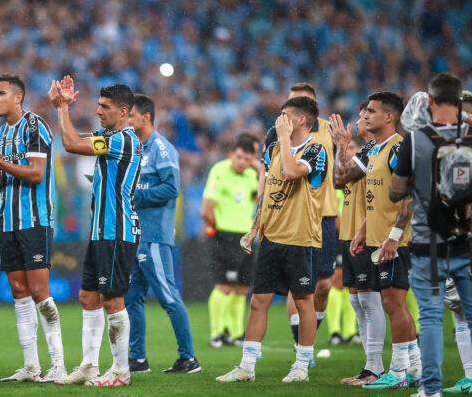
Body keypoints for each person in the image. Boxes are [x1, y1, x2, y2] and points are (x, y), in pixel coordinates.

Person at [220, 96, 327, 384]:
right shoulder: (275, 148)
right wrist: (255, 227)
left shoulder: (317, 150)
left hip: (301, 238)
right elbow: (268, 189)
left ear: (301, 120)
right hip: (272, 237)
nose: (279, 121)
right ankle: (246, 367)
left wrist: (283, 137)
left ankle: (302, 366)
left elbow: (291, 173)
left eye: (284, 115)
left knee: (304, 301)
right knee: (258, 301)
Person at [0, 75, 64, 383]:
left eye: (1, 93)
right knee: (19, 293)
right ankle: (31, 366)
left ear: (17, 98)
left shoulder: (35, 126)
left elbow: (36, 174)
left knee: (39, 292)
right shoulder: (0, 134)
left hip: (35, 220)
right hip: (8, 222)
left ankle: (59, 365)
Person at [49, 76, 141, 387]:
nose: (98, 111)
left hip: (117, 231)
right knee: (88, 296)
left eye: (105, 106)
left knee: (112, 298)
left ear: (124, 110)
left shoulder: (123, 141)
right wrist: (63, 109)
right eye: (98, 105)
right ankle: (89, 365)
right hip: (100, 231)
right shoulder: (106, 136)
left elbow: (72, 144)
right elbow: (71, 139)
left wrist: (62, 108)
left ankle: (120, 371)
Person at [390, 73, 472, 396]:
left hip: (429, 244)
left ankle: (432, 390)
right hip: (468, 244)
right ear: (459, 101)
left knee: (430, 319)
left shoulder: (416, 140)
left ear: (429, 101)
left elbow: (395, 193)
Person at [333, 91, 422, 390]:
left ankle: (397, 371)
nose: (365, 115)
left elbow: (407, 196)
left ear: (389, 116)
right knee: (392, 303)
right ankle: (414, 368)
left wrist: (395, 236)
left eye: (371, 111)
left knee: (393, 302)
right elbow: (349, 185)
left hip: (396, 240)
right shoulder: (373, 150)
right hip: (377, 236)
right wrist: (362, 230)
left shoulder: (399, 149)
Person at [124, 94, 199, 374]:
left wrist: (134, 195)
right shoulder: (136, 148)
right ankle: (137, 358)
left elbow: (171, 189)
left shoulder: (162, 148)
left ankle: (188, 358)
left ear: (145, 117)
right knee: (132, 299)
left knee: (168, 296)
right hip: (134, 234)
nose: (128, 120)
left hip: (154, 234)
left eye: (131, 115)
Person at [330, 106, 382, 386]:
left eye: (364, 117)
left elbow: (342, 178)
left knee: (372, 300)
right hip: (348, 236)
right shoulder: (361, 156)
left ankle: (382, 367)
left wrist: (342, 145)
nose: (358, 121)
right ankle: (369, 366)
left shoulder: (372, 156)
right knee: (356, 300)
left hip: (366, 236)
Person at [283, 83, 336, 349]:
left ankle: (309, 335)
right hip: (294, 216)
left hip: (326, 214)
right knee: (299, 283)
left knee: (325, 284)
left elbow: (347, 168)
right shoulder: (279, 132)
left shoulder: (330, 130)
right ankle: (301, 346)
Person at [202, 134, 260, 347]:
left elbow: (259, 199)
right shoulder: (219, 170)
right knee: (224, 286)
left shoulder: (252, 175)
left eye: (247, 159)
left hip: (245, 237)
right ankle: (218, 333)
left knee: (242, 288)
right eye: (239, 157)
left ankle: (235, 334)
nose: (242, 162)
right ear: (231, 154)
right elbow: (207, 208)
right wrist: (217, 231)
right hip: (223, 235)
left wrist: (259, 168)